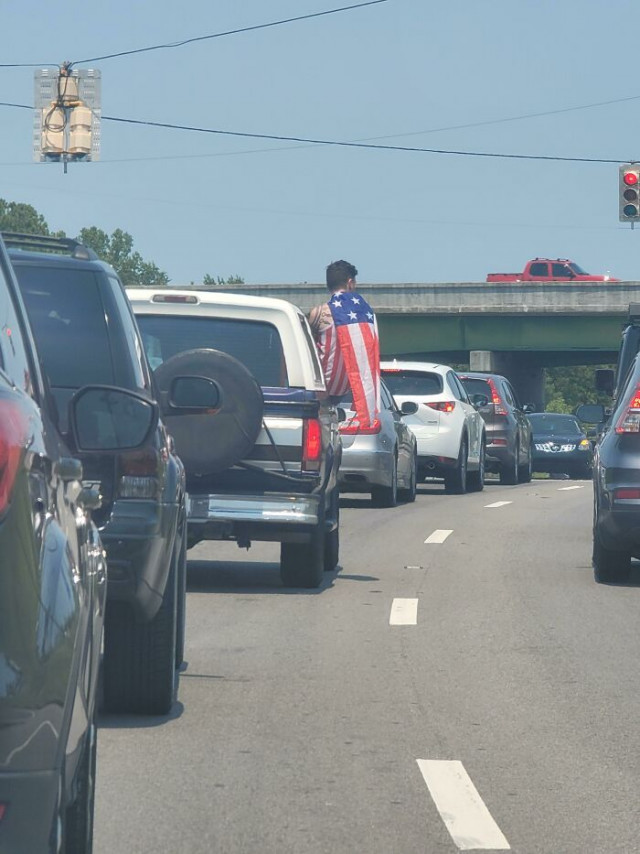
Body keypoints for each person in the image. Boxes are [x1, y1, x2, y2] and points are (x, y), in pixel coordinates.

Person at [308, 259, 380, 428]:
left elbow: (306, 350)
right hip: (348, 392)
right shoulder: (365, 313)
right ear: (350, 283)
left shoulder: (318, 313)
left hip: (320, 390)